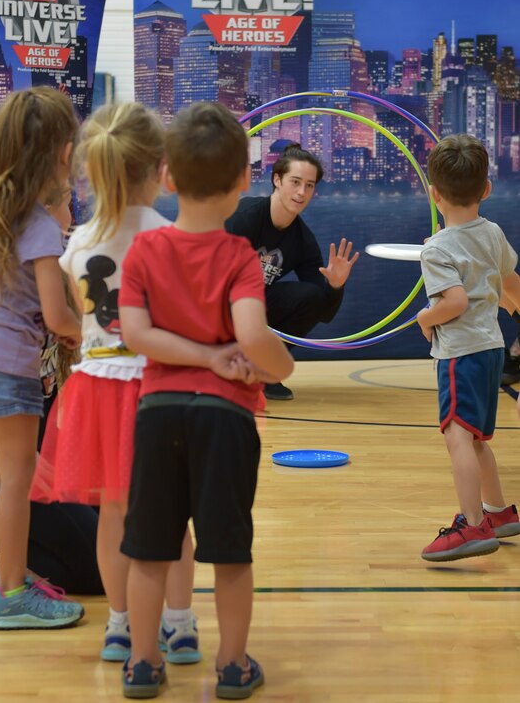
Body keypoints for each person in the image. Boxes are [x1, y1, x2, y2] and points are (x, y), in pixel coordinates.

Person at [30, 102, 242, 664]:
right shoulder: (169, 235)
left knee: (115, 516)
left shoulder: (76, 243)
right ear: (160, 168)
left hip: (94, 390)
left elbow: (76, 323)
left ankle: (120, 627)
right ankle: (180, 624)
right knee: (173, 516)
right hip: (155, 389)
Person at [118, 101, 294, 699]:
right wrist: (276, 363)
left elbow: (137, 335)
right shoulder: (240, 258)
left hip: (157, 413)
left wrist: (196, 355)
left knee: (148, 552)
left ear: (166, 176)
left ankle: (143, 664)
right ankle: (232, 666)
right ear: (247, 180)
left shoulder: (143, 252)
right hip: (226, 419)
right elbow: (249, 335)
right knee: (229, 552)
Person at [0, 86, 84, 628]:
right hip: (7, 367)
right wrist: (83, 335)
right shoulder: (38, 225)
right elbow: (57, 317)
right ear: (59, 153)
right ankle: (12, 595)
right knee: (19, 478)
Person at [417, 133, 520, 563]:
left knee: (457, 437)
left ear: (434, 194)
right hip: (492, 348)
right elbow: (511, 285)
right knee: (475, 438)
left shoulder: (436, 247)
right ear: (487, 190)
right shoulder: (493, 232)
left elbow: (454, 302)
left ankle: (471, 523)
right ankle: (498, 513)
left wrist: (425, 319)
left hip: (460, 354)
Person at [225, 143, 358, 400]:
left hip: (252, 305)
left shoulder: (303, 240)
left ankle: (266, 372)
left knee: (309, 295)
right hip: (216, 302)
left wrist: (335, 286)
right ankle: (225, 365)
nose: (301, 192)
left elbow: (323, 311)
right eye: (295, 182)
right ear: (277, 179)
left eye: (309, 185)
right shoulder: (244, 217)